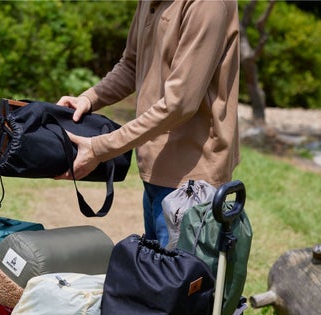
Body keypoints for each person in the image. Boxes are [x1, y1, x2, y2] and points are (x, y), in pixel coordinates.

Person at [57, 0, 240, 247]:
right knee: (157, 270)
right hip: (155, 170)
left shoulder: (206, 4)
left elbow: (179, 104)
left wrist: (100, 148)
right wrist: (89, 99)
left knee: (182, 272)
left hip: (192, 184)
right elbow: (132, 64)